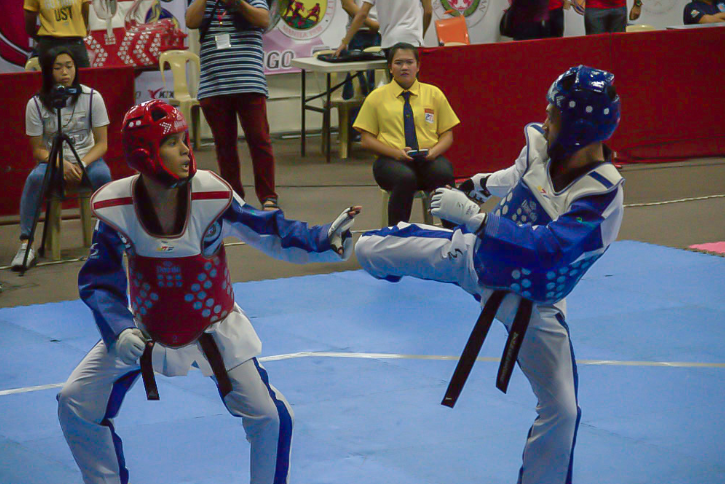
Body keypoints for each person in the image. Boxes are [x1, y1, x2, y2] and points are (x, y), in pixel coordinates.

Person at [56, 100, 362, 484]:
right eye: (172, 142)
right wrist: (118, 330)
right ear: (145, 154)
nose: (187, 150)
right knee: (75, 402)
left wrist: (322, 239)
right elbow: (99, 280)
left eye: (185, 139)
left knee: (270, 417)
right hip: (144, 329)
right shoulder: (116, 206)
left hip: (213, 328)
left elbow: (268, 229)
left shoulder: (211, 194)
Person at [355, 65, 624, 484]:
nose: (545, 119)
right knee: (365, 248)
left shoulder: (601, 195)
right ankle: (375, 261)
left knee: (563, 410)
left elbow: (549, 251)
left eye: (553, 114)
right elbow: (518, 176)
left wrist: (477, 219)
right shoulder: (542, 146)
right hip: (475, 258)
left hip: (530, 301)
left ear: (576, 129)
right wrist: (477, 186)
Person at [11, 46, 111, 271]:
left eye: (69, 66)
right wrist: (61, 164)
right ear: (48, 71)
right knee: (34, 179)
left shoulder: (92, 97)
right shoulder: (35, 104)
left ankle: (110, 236)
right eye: (58, 68)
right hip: (53, 161)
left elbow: (102, 144)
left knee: (103, 176)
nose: (65, 72)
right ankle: (26, 245)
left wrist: (81, 163)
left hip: (87, 159)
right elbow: (38, 150)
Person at [185, 0, 280, 210]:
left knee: (259, 141)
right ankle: (234, 197)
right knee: (224, 146)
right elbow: (191, 21)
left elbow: (264, 20)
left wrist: (239, 4)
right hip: (214, 86)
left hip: (249, 82)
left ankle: (268, 197)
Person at [353, 42, 459, 227]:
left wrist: (434, 152)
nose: (404, 67)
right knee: (405, 178)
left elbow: (447, 135)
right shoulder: (376, 97)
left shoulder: (433, 94)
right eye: (398, 63)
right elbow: (366, 140)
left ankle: (455, 233)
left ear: (418, 66)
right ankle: (397, 234)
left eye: (409, 62)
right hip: (390, 160)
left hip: (428, 158)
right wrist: (396, 153)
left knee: (444, 173)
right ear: (390, 68)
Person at [335, 0, 432, 59]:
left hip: (390, 41)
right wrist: (421, 35)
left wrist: (345, 42)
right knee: (413, 83)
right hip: (413, 39)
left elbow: (362, 14)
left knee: (394, 83)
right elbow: (428, 12)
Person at [23, 0, 91, 68]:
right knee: (84, 74)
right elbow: (85, 9)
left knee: (50, 73)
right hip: (73, 41)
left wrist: (42, 39)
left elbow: (29, 22)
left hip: (50, 42)